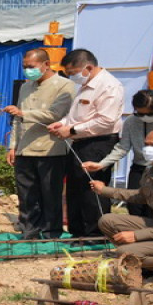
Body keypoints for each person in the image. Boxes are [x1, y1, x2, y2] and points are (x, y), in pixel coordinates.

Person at [48, 49, 124, 237]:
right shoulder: (86, 85)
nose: (72, 77)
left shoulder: (109, 86)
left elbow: (105, 121)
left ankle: (95, 234)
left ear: (88, 67)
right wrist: (63, 123)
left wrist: (72, 130)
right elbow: (77, 116)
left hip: (98, 143)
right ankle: (78, 232)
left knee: (92, 190)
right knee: (75, 189)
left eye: (73, 73)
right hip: (80, 143)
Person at [3, 48, 75, 239]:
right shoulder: (26, 86)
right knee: (26, 195)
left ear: (46, 64)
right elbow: (17, 120)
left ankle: (52, 232)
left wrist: (24, 113)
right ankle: (30, 231)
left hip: (51, 149)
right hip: (25, 149)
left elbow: (55, 114)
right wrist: (13, 146)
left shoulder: (64, 85)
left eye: (31, 66)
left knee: (50, 194)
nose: (27, 70)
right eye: (25, 66)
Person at [91, 127, 153, 276]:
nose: (148, 149)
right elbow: (141, 196)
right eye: (147, 144)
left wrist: (137, 236)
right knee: (108, 221)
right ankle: (141, 259)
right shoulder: (150, 171)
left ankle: (145, 261)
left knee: (124, 251)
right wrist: (104, 190)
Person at [83, 90, 153, 218]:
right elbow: (123, 148)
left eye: (150, 114)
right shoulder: (130, 121)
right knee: (135, 206)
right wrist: (101, 164)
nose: (145, 118)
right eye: (140, 114)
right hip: (139, 168)